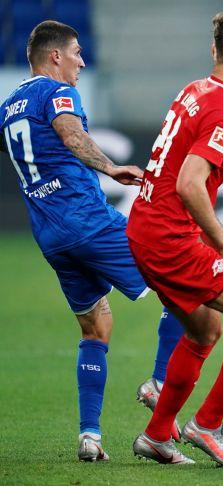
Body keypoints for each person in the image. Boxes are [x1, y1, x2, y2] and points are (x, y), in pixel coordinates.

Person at [0, 20, 181, 461]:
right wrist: (111, 167)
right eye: (77, 52)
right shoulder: (55, 92)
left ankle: (90, 436)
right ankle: (158, 385)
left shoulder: (8, 106)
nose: (82, 60)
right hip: (89, 221)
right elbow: (71, 132)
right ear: (54, 56)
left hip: (50, 237)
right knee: (182, 287)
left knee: (96, 326)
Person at [127, 12, 223, 468]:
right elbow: (190, 184)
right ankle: (207, 424)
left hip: (143, 229)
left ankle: (157, 435)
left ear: (215, 51)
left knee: (204, 329)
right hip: (169, 240)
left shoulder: (193, 91)